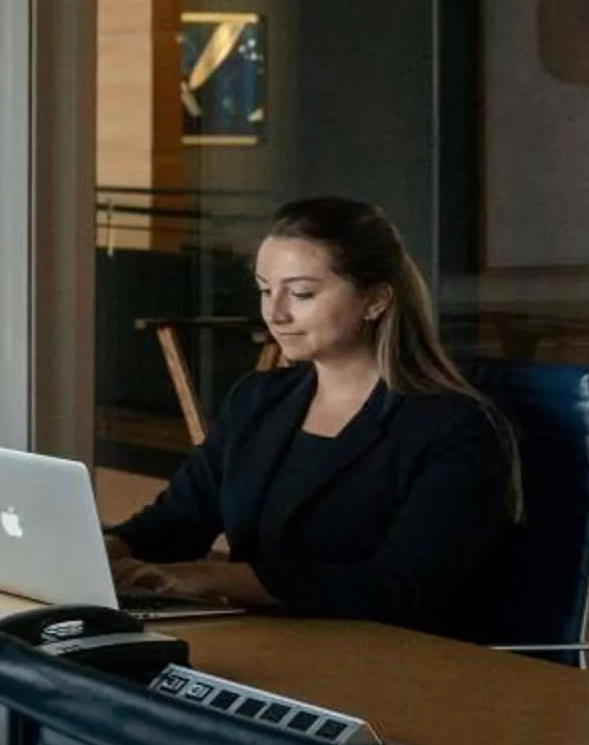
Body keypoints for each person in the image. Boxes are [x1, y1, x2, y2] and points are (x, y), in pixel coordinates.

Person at [106, 194, 515, 635]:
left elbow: (397, 588)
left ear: (375, 300)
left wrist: (216, 576)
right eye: (265, 290)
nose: (275, 313)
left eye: (301, 293)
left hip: (391, 656)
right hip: (265, 641)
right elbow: (178, 521)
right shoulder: (258, 399)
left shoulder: (456, 428)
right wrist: (110, 549)